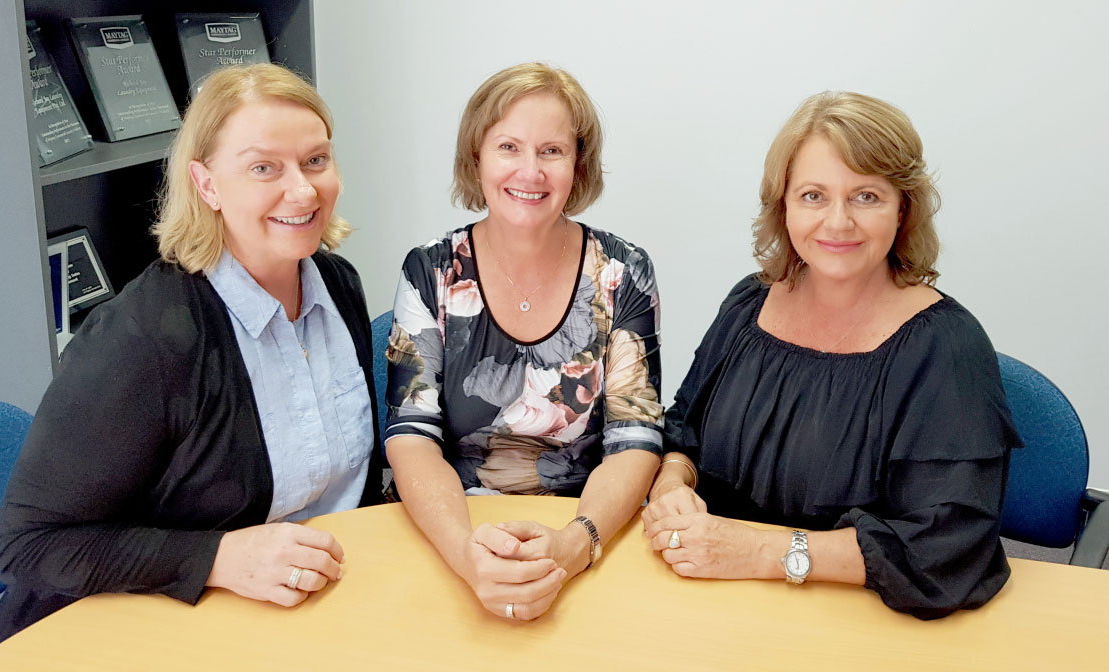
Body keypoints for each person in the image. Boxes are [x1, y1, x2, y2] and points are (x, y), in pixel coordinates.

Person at [0, 63, 384, 650]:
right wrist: (219, 556)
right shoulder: (148, 335)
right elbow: (28, 544)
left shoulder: (337, 285)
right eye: (263, 168)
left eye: (316, 160)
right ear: (206, 184)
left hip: (289, 620)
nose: (302, 190)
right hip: (129, 635)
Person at [641, 91, 1021, 620]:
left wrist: (756, 554)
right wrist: (672, 483)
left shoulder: (946, 347)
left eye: (865, 196)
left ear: (903, 208)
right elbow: (684, 430)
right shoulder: (750, 302)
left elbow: (945, 547)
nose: (837, 223)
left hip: (858, 621)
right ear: (784, 205)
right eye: (814, 195)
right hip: (711, 599)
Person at [385, 63, 664, 621]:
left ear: (578, 164)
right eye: (508, 146)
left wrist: (574, 545)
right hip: (449, 531)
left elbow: (635, 438)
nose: (530, 171)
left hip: (583, 526)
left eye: (552, 151)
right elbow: (411, 435)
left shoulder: (624, 272)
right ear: (477, 158)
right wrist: (467, 557)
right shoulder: (430, 270)